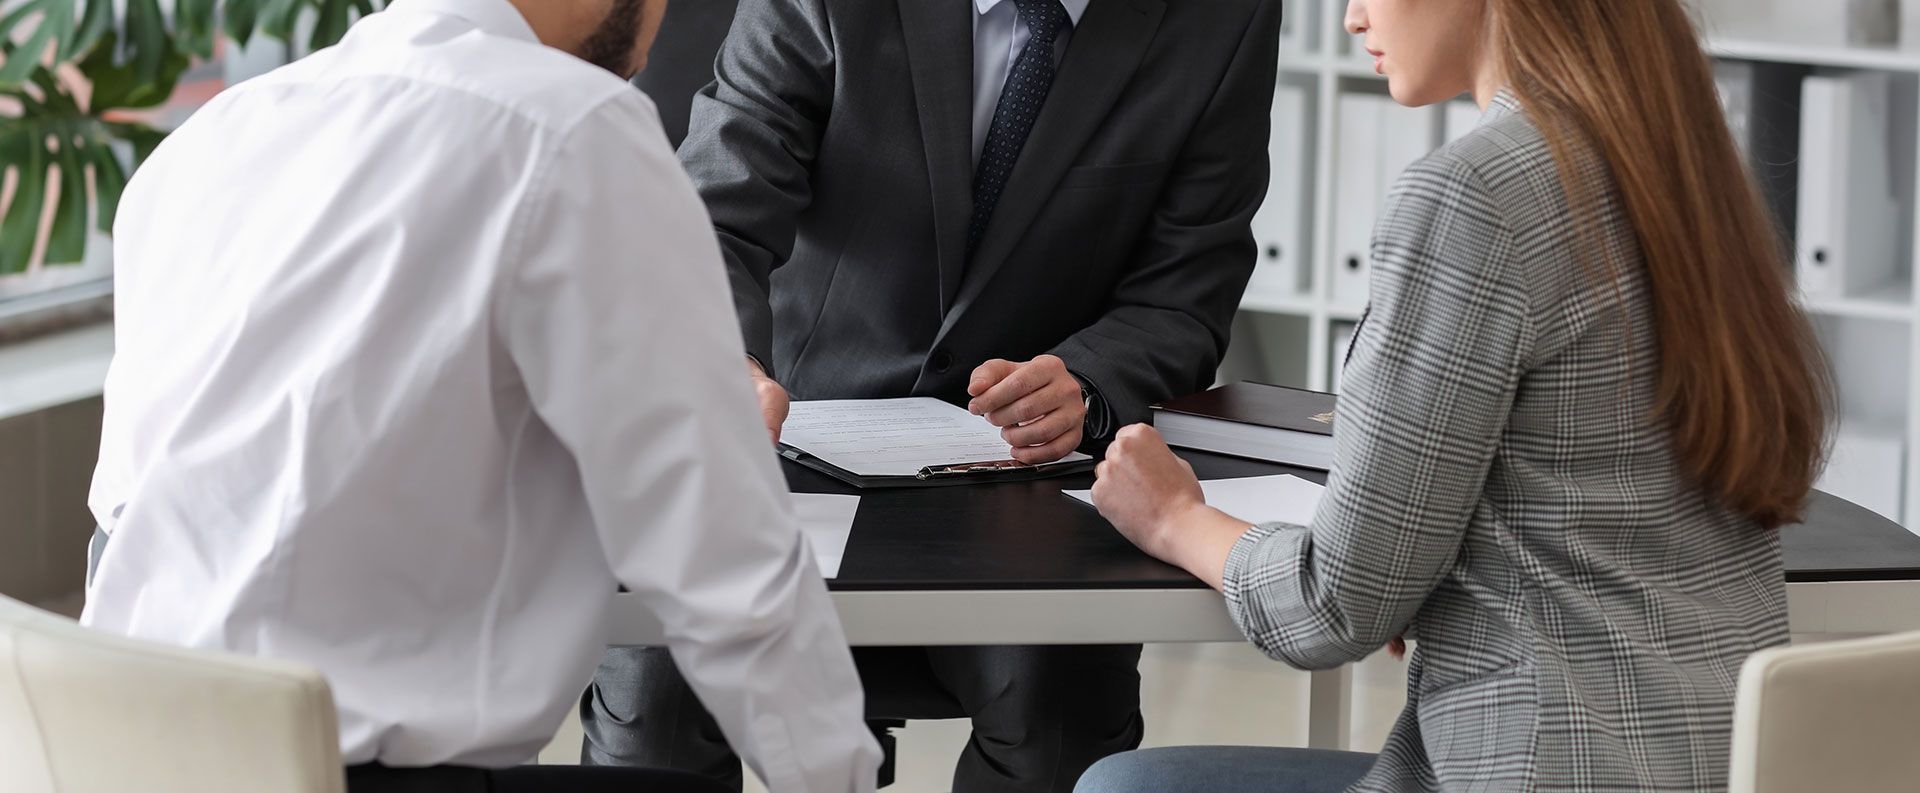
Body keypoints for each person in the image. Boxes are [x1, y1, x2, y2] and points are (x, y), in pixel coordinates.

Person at [80, 1, 881, 791]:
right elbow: (722, 548)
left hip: (115, 751)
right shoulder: (575, 127)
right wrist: (835, 776)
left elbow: (122, 511)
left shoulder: (211, 138)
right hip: (354, 771)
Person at [1077, 0, 1832, 790]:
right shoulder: (1679, 170)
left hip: (1539, 770)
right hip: (1717, 764)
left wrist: (1174, 517)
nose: (1352, 17)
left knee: (1123, 785)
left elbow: (1333, 605)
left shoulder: (1473, 194)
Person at [583, 0, 1286, 790]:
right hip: (786, 434)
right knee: (655, 696)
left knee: (1057, 718)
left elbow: (1186, 292)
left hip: (1028, 475)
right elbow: (716, 212)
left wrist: (1089, 379)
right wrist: (726, 361)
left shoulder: (1222, 17)